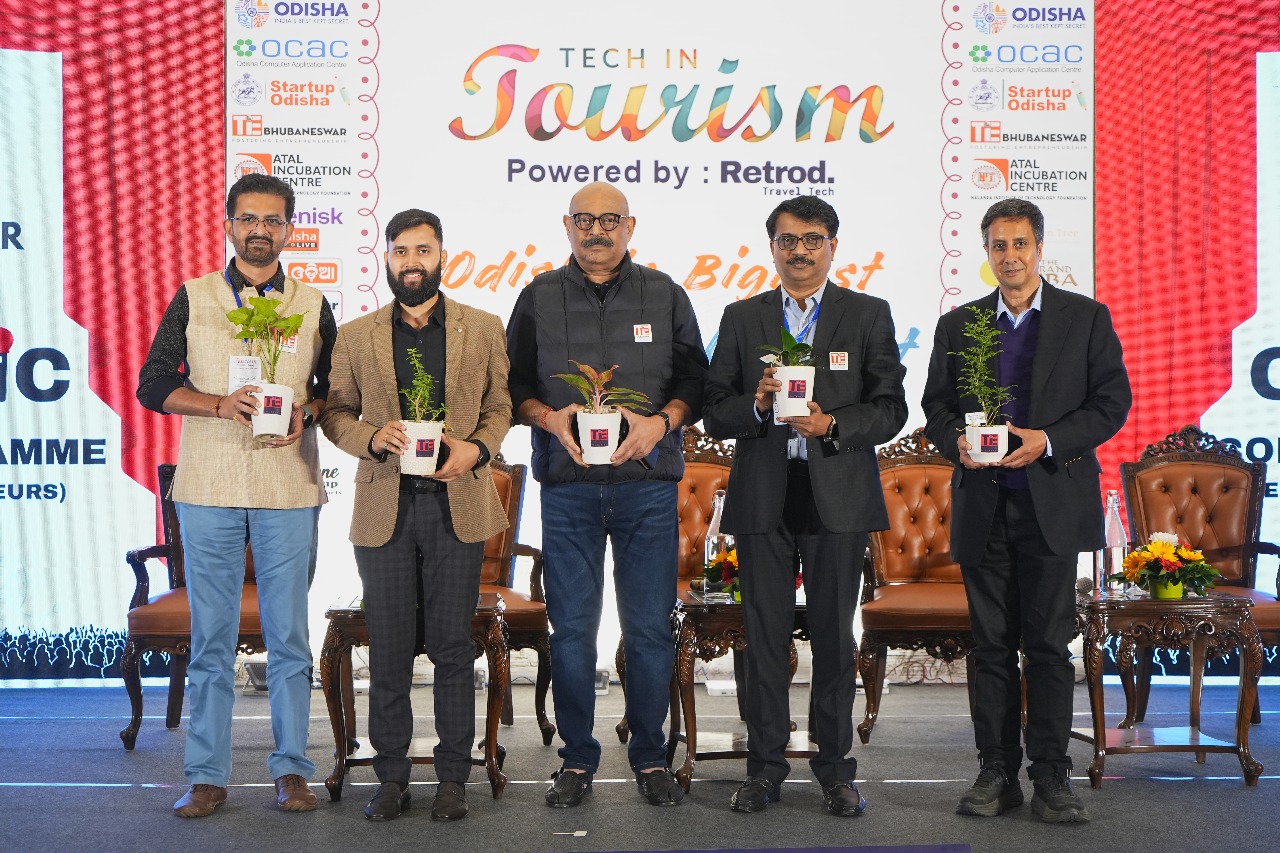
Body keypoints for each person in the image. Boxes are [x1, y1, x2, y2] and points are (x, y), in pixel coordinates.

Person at [921, 197, 1131, 824]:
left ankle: (1051, 775)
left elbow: (1111, 403)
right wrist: (955, 441)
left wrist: (1049, 440)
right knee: (990, 648)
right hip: (984, 506)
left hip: (1051, 504)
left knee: (1046, 647)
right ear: (986, 253)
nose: (1009, 256)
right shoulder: (960, 324)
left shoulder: (1085, 318)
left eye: (1020, 244)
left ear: (1039, 249)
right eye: (998, 246)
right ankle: (996, 771)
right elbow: (936, 407)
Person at [136, 173, 336, 818]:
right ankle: (206, 776)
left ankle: (293, 770)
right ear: (228, 225)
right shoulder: (194, 297)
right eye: (248, 218)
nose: (259, 230)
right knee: (212, 640)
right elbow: (152, 385)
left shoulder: (312, 303)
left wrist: (308, 411)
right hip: (210, 485)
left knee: (290, 639)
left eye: (272, 220)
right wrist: (219, 404)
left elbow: (335, 391)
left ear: (289, 229)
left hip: (288, 484)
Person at [703, 195, 907, 817]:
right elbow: (715, 410)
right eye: (788, 240)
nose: (800, 251)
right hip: (764, 495)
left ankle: (836, 771)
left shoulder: (867, 314)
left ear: (832, 247)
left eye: (812, 239)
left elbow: (891, 408)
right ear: (772, 248)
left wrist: (834, 425)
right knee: (762, 640)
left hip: (837, 497)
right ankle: (763, 768)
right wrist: (758, 404)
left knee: (834, 639)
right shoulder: (743, 318)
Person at [506, 182, 708, 807]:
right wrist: (548, 418)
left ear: (630, 226)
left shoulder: (665, 293)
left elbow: (696, 381)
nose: (597, 230)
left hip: (648, 488)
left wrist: (662, 422)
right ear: (567, 226)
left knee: (649, 630)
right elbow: (511, 387)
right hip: (569, 490)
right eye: (585, 220)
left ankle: (650, 756)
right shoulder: (538, 295)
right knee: (571, 631)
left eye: (609, 220)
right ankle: (576, 758)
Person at [319, 209, 512, 822]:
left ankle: (454, 777)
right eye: (400, 251)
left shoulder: (484, 328)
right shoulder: (356, 335)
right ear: (387, 257)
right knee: (390, 650)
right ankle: (391, 777)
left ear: (442, 257)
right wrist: (372, 438)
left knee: (454, 647)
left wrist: (476, 450)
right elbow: (334, 413)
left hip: (459, 506)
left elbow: (500, 408)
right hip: (386, 508)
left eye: (422, 250)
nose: (411, 262)